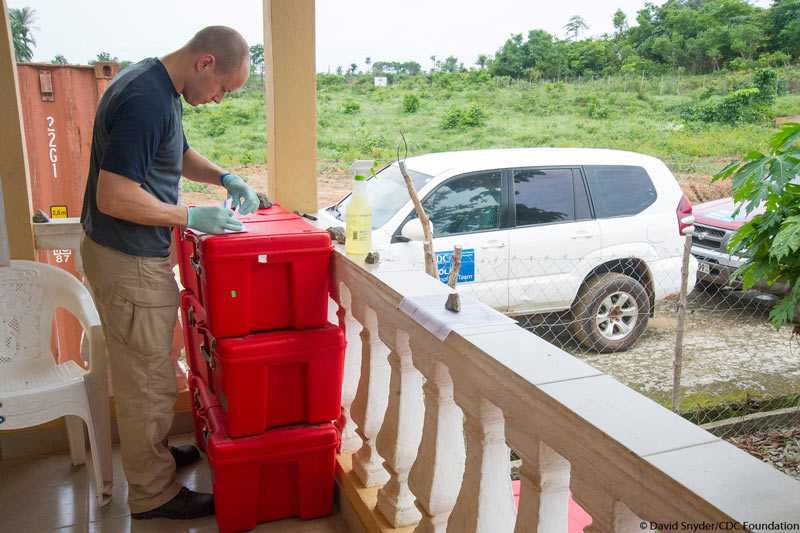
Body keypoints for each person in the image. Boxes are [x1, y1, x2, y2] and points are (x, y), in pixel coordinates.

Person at [79, 26, 259, 520]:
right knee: (148, 381)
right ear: (205, 62)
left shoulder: (159, 83)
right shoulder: (146, 99)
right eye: (224, 88)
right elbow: (113, 196)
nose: (220, 100)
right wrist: (189, 216)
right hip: (128, 259)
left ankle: (151, 456)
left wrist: (224, 176)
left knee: (153, 366)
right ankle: (154, 494)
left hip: (128, 254)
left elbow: (175, 154)